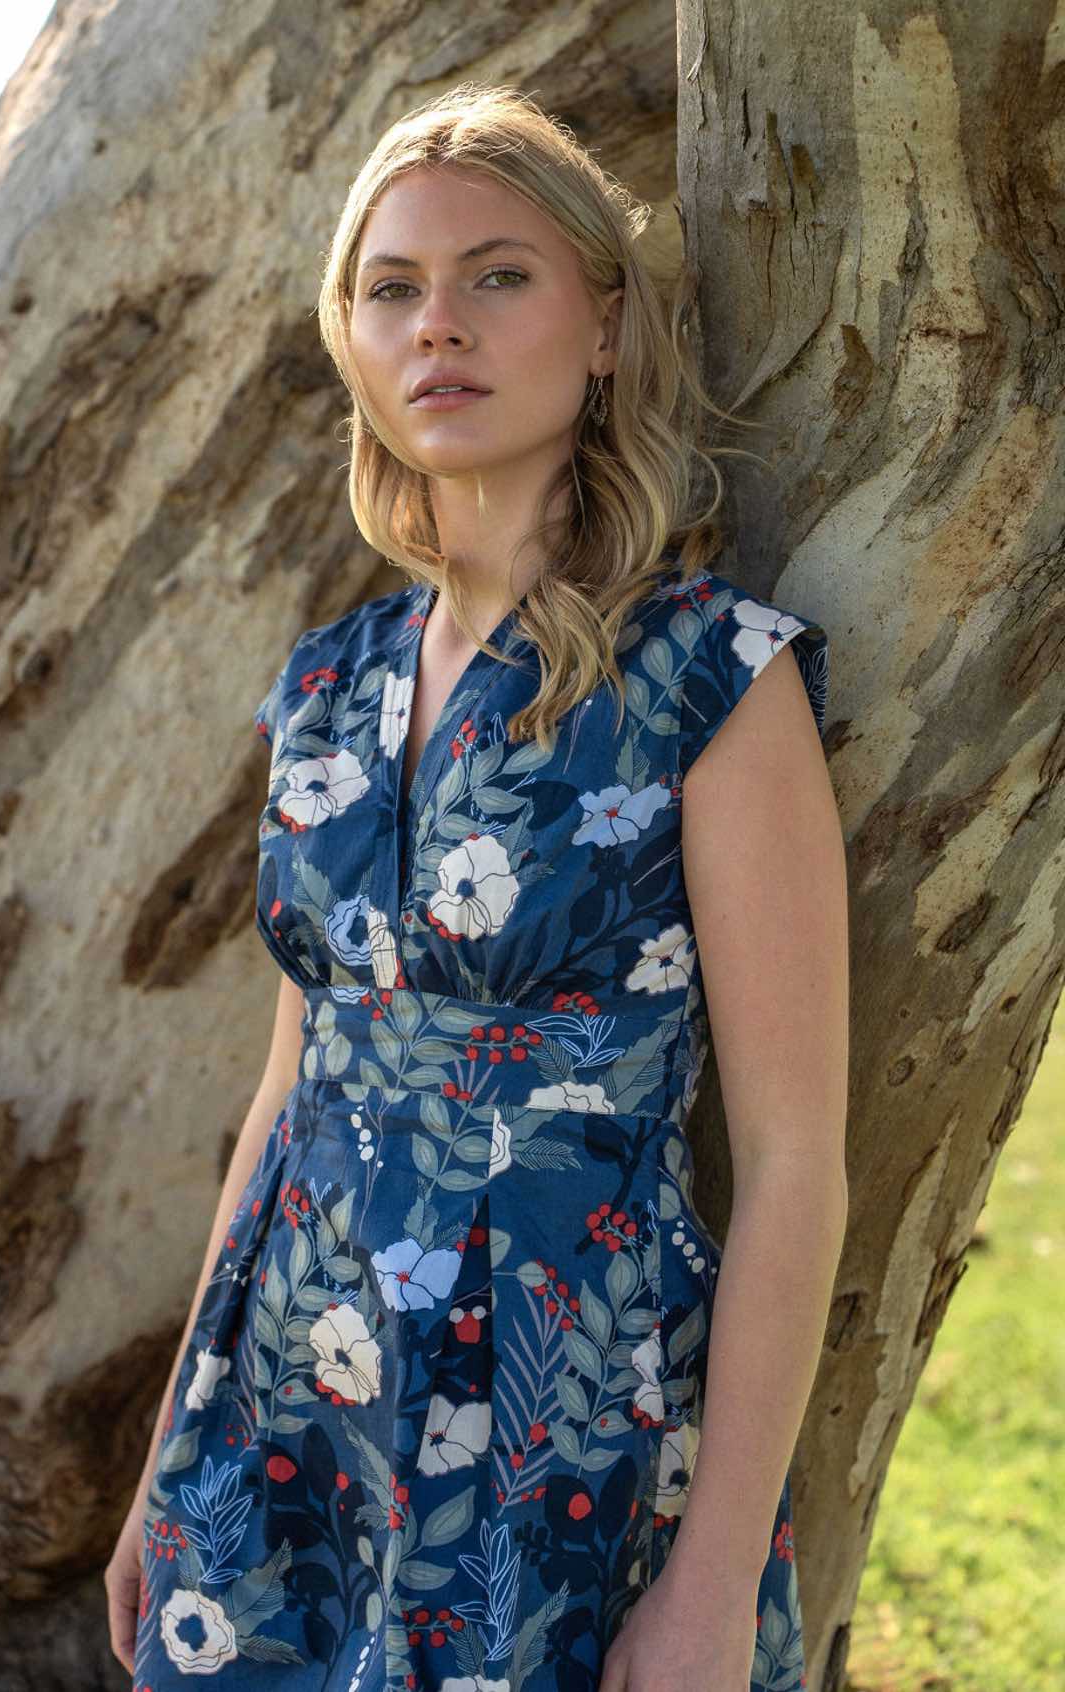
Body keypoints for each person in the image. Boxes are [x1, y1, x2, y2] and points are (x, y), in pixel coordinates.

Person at [106, 82, 848, 1692]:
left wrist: (715, 1585)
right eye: (393, 288)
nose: (437, 324)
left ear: (603, 324)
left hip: (556, 1418)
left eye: (498, 275)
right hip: (286, 1410)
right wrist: (173, 1452)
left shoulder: (711, 676)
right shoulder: (324, 687)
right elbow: (290, 1088)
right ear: (353, 344)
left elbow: (796, 1165)